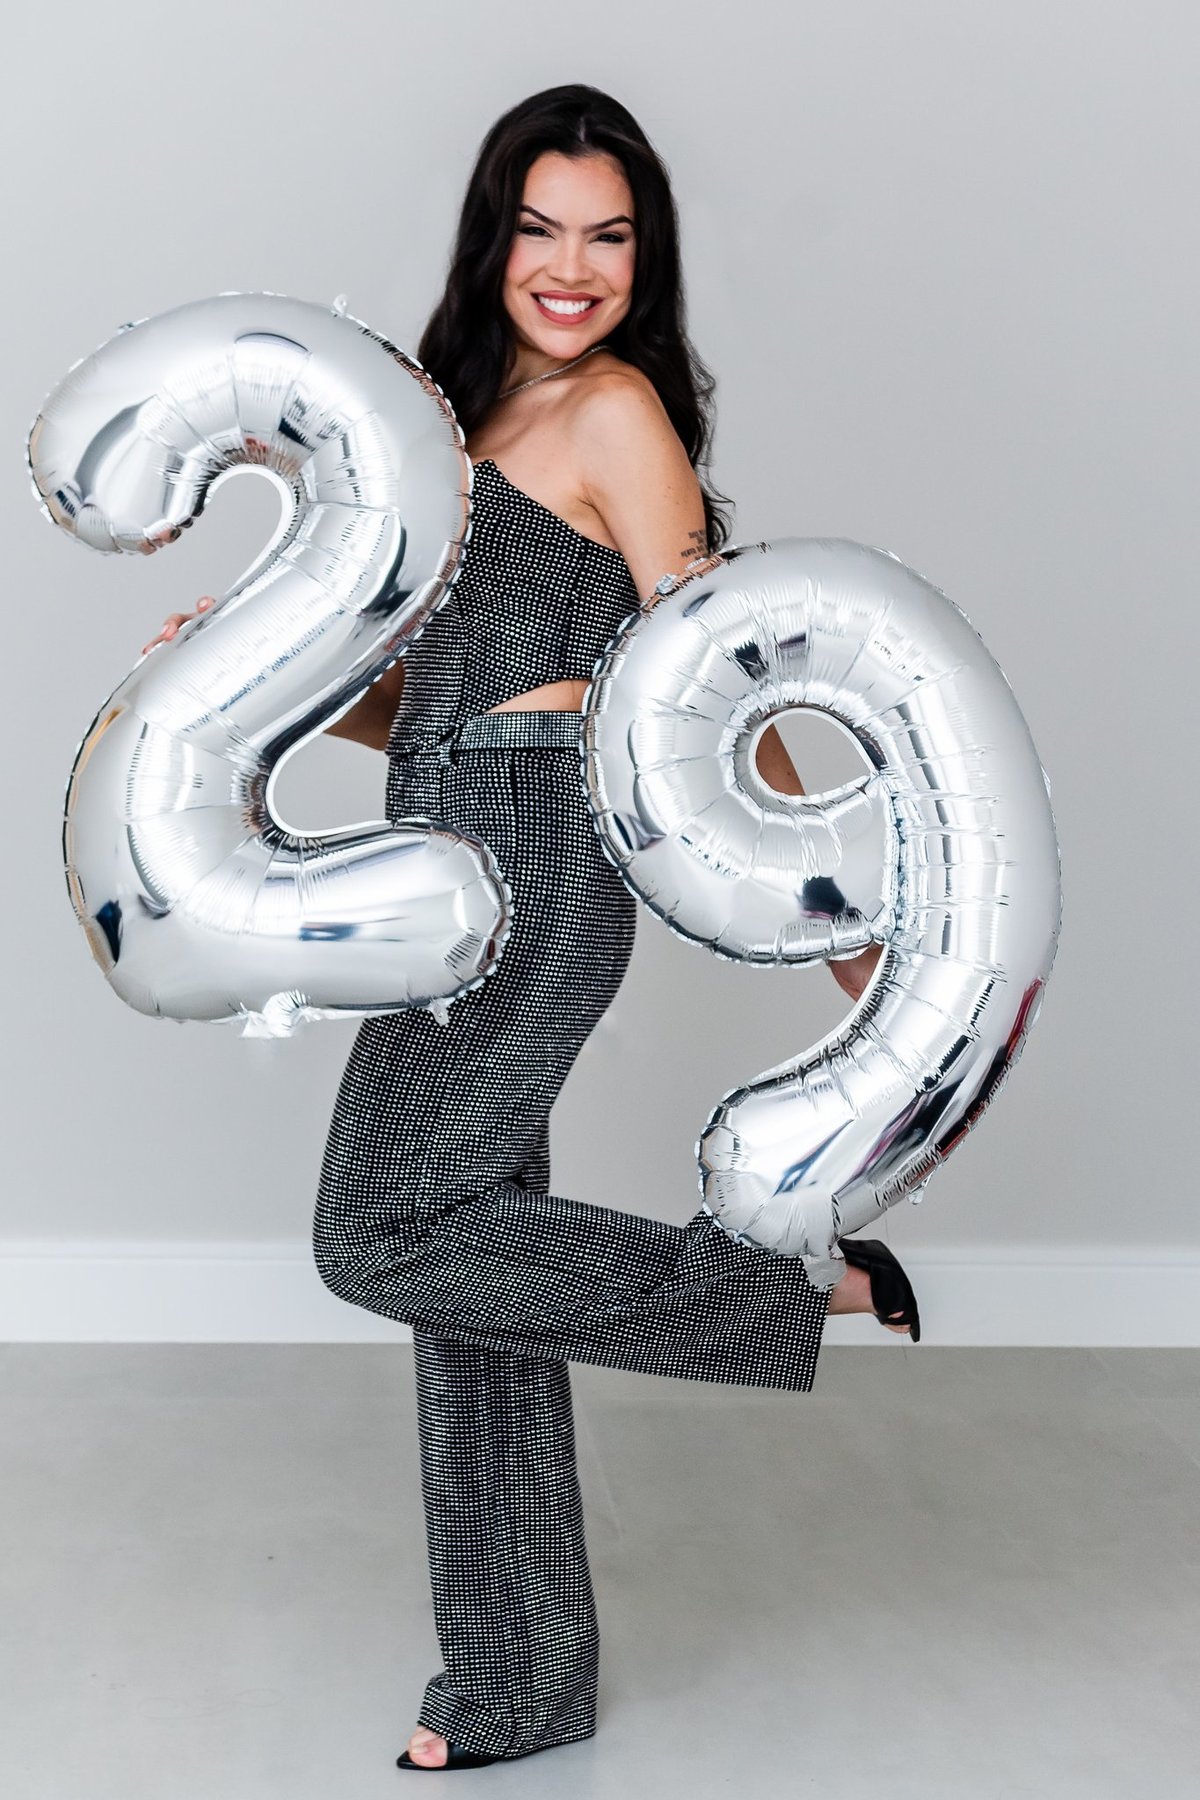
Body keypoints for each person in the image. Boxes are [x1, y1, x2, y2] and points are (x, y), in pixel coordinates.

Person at [143, 83, 920, 1774]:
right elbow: (425, 707)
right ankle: (517, 1679)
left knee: (377, 1230)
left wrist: (828, 912)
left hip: (536, 859)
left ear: (647, 257)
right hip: (442, 842)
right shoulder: (467, 420)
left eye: (609, 234)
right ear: (494, 236)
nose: (571, 267)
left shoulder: (618, 412)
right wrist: (257, 673)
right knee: (466, 1280)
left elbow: (711, 666)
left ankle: (786, 1288)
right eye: (541, 227)